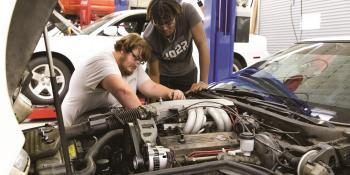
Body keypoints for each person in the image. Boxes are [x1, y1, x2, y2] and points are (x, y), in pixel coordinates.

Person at [61, 33, 185, 126]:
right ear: (123, 49)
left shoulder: (131, 66)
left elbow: (150, 86)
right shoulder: (103, 61)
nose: (137, 63)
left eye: (140, 61)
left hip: (100, 120)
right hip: (73, 125)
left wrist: (171, 92)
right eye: (135, 57)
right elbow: (122, 91)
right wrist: (147, 121)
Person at [143, 0, 210, 93]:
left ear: (176, 15)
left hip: (186, 74)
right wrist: (154, 102)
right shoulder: (148, 37)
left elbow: (202, 44)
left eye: (169, 23)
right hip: (162, 77)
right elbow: (154, 74)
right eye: (160, 24)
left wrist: (203, 81)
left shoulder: (187, 11)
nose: (165, 28)